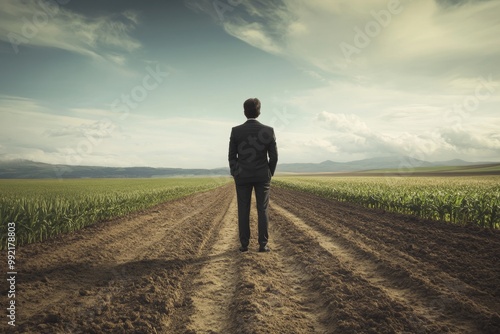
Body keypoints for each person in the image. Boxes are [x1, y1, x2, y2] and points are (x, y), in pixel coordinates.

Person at [228, 98, 278, 252]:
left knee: (243, 209)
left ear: (244, 112)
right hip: (262, 176)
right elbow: (274, 157)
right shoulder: (268, 131)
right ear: (259, 111)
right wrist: (269, 172)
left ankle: (244, 245)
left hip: (242, 176)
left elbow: (231, 156)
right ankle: (263, 245)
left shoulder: (236, 131)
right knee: (263, 209)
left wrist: (236, 172)